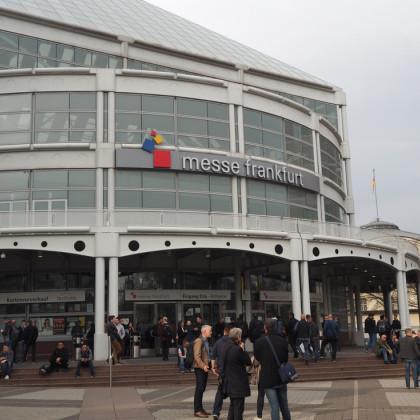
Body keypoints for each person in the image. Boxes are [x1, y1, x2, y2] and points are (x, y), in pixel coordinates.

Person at [254, 318, 291, 420]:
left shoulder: (259, 342)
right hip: (281, 377)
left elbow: (258, 358)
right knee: (284, 404)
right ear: (275, 327)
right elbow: (285, 359)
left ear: (265, 328)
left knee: (274, 405)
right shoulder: (283, 341)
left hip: (267, 377)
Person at [219, 327, 251, 420]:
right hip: (238, 383)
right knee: (238, 408)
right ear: (238, 337)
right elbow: (248, 361)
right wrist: (243, 349)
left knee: (233, 405)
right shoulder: (237, 350)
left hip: (229, 381)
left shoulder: (224, 346)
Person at [211, 325, 231, 420]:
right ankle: (234, 412)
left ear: (224, 332)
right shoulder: (233, 342)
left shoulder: (218, 342)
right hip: (231, 370)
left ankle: (216, 412)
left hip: (221, 370)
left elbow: (213, 356)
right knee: (233, 393)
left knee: (220, 391)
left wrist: (213, 368)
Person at [193, 324, 213, 418]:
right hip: (200, 368)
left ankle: (200, 408)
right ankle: (197, 410)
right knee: (199, 389)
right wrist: (203, 366)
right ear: (205, 331)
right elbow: (196, 356)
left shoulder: (205, 341)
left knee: (202, 388)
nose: (211, 332)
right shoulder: (199, 341)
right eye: (210, 331)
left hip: (205, 367)